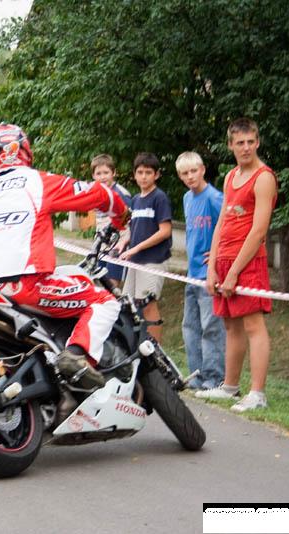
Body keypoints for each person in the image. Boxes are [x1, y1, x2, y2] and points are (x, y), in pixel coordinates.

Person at [0, 123, 129, 389]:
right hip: (25, 285)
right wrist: (122, 218)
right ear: (24, 151)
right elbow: (99, 194)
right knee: (104, 301)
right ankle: (77, 355)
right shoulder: (36, 181)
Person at [196, 118, 277, 412]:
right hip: (224, 261)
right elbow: (222, 222)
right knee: (231, 325)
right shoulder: (231, 176)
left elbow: (259, 231)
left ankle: (257, 394)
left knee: (253, 325)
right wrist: (213, 268)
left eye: (250, 142)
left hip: (248, 262)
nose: (246, 148)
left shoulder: (264, 178)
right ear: (230, 145)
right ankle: (230, 387)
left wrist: (233, 272)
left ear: (258, 142)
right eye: (240, 143)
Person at [176, 151, 226, 390]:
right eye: (185, 173)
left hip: (209, 274)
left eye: (194, 171)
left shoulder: (215, 198)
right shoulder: (187, 198)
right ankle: (196, 376)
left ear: (203, 170)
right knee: (190, 327)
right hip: (192, 273)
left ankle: (214, 378)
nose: (190, 176)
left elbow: (229, 229)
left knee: (211, 328)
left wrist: (218, 256)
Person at [114, 152, 172, 342]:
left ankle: (155, 349)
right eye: (140, 172)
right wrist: (124, 241)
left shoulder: (159, 198)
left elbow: (165, 231)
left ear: (156, 174)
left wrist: (137, 248)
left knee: (148, 305)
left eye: (148, 172)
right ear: (134, 174)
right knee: (128, 305)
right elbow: (133, 227)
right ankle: (134, 345)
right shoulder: (136, 199)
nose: (144, 176)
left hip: (153, 260)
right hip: (135, 261)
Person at [90, 154, 131, 289]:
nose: (102, 177)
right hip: (102, 246)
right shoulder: (96, 193)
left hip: (118, 246)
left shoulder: (121, 193)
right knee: (99, 284)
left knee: (112, 285)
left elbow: (129, 222)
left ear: (114, 173)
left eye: (106, 172)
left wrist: (122, 243)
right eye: (98, 173)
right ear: (93, 176)